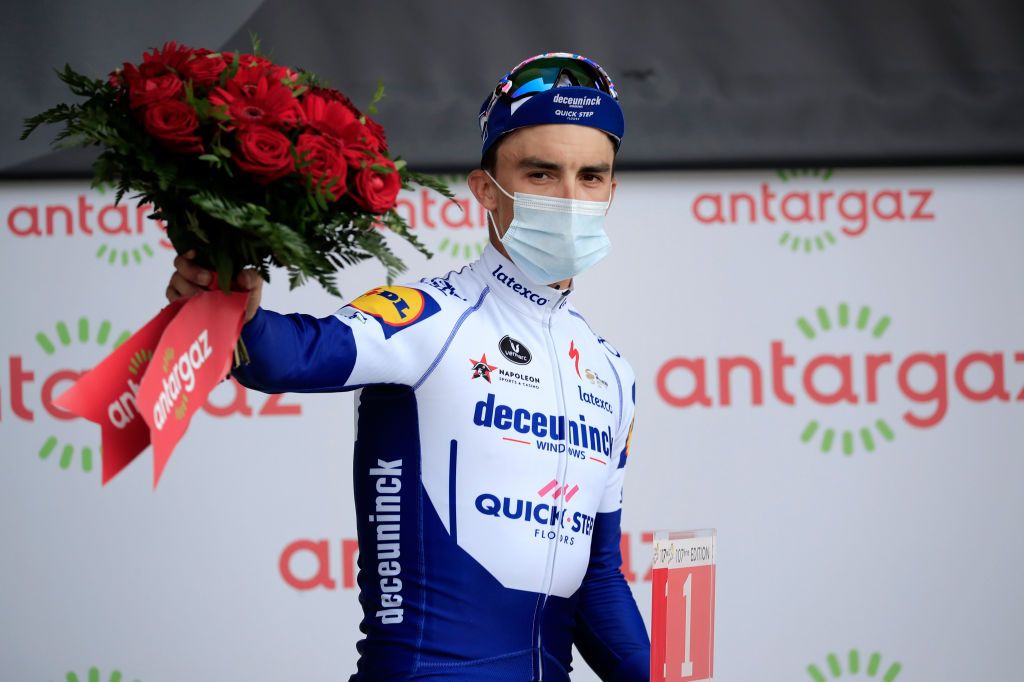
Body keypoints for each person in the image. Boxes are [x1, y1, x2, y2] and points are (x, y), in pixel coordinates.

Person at [166, 52, 650, 681]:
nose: (569, 197)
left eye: (590, 176)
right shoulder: (429, 316)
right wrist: (228, 299)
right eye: (540, 173)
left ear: (611, 191)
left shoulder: (613, 372)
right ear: (484, 189)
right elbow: (288, 356)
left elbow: (599, 584)